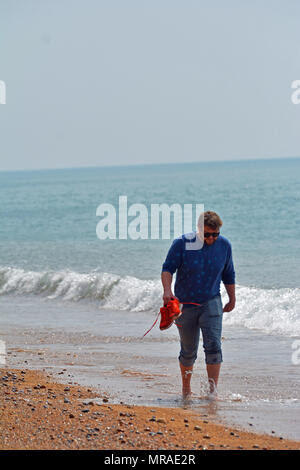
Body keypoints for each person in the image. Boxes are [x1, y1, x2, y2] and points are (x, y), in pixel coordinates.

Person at [161, 211, 236, 399]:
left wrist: (232, 299)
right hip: (184, 305)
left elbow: (229, 274)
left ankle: (213, 392)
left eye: (215, 234)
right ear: (199, 230)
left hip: (212, 302)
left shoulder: (224, 245)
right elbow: (167, 269)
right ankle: (186, 390)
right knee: (188, 351)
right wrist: (167, 291)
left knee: (213, 347)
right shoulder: (182, 244)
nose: (211, 238)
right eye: (207, 234)